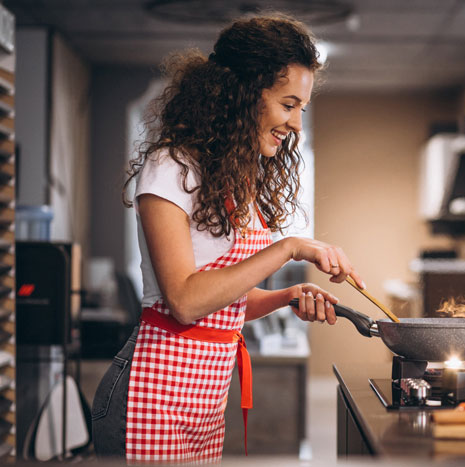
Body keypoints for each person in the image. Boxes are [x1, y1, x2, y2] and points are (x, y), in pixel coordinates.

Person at [91, 13, 364, 464]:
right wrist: (290, 247)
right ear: (242, 94)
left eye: (302, 109)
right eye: (287, 104)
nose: (295, 123)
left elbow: (224, 301)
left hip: (202, 405)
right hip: (150, 395)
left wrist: (288, 296)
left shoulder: (232, 178)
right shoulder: (171, 167)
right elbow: (184, 300)